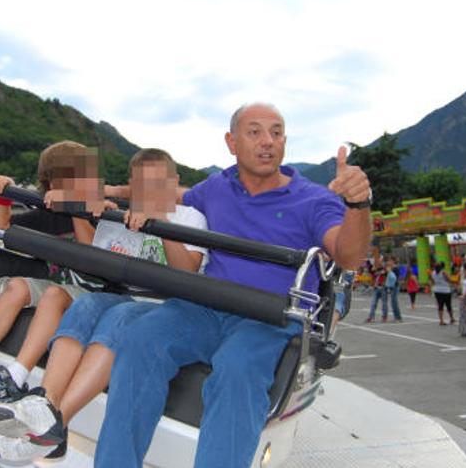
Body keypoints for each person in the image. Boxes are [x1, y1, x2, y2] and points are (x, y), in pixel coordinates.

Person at [75, 103, 370, 467]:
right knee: (140, 339)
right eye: (255, 132)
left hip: (270, 316)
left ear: (285, 142)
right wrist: (102, 194)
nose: (267, 141)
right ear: (231, 142)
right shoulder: (217, 186)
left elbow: (348, 255)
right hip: (206, 306)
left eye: (276, 133)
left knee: (237, 370)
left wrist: (358, 205)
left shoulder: (313, 199)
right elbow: (173, 193)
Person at [0, 149, 208, 462]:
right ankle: (44, 401)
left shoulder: (191, 217)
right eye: (143, 183)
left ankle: (54, 424)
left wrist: (161, 223)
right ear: (133, 185)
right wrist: (90, 210)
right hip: (121, 292)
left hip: (161, 304)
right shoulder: (126, 214)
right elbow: (100, 261)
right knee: (85, 307)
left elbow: (188, 271)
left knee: (118, 318)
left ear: (174, 181)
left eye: (160, 181)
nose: (152, 189)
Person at [0, 141, 107, 408]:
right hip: (59, 283)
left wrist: (77, 206)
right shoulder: (47, 215)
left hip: (92, 293)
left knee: (53, 294)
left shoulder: (99, 211)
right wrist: (4, 193)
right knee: (16, 287)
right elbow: (1, 227)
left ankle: (15, 378)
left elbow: (91, 250)